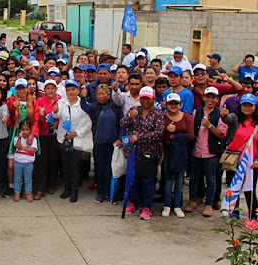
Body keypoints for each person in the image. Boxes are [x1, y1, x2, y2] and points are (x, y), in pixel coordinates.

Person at [122, 87, 165, 220]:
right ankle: (134, 203)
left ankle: (147, 206)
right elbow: (122, 124)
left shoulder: (157, 114)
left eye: (148, 98)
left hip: (148, 153)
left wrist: (140, 138)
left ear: (153, 99)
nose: (145, 101)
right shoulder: (134, 110)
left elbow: (158, 133)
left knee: (147, 181)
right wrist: (130, 117)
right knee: (134, 179)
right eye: (143, 98)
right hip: (132, 152)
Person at [187, 86, 227, 216]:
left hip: (211, 153)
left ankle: (209, 204)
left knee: (211, 179)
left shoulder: (220, 114)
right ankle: (193, 200)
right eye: (208, 97)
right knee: (194, 178)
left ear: (217, 99)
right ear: (203, 98)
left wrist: (209, 125)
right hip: (196, 151)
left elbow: (221, 134)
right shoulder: (196, 112)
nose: (210, 100)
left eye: (213, 97)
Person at [80, 84, 122, 203]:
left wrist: (119, 139)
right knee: (99, 169)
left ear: (108, 95)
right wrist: (83, 97)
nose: (101, 96)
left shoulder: (115, 108)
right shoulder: (94, 107)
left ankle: (109, 192)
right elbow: (84, 106)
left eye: (103, 94)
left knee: (110, 169)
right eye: (98, 94)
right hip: (99, 143)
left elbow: (121, 124)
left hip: (112, 143)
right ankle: (100, 192)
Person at [53, 80, 91, 203]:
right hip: (63, 139)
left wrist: (75, 133)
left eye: (73, 89)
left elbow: (88, 123)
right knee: (65, 166)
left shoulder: (82, 104)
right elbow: (56, 115)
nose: (70, 92)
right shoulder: (61, 102)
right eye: (68, 90)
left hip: (76, 139)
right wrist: (54, 111)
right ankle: (67, 188)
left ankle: (74, 190)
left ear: (78, 91)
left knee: (75, 166)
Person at [221, 94, 258, 220]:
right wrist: (224, 115)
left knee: (250, 190)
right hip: (235, 159)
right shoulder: (235, 118)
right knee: (233, 187)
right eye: (244, 105)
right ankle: (233, 211)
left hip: (251, 162)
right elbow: (228, 119)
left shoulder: (257, 123)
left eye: (250, 105)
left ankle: (253, 215)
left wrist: (257, 160)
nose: (247, 108)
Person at [161, 93, 194, 218]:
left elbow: (191, 135)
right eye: (171, 104)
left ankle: (177, 205)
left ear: (180, 105)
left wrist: (174, 134)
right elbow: (161, 137)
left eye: (176, 104)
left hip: (182, 154)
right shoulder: (164, 118)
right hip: (168, 153)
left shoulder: (186, 117)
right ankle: (167, 205)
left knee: (180, 181)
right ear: (167, 105)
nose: (173, 106)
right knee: (168, 180)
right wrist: (167, 131)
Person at [35, 80, 60, 197]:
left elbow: (65, 117)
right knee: (42, 162)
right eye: (47, 88)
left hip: (55, 135)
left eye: (52, 88)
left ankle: (52, 184)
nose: (50, 91)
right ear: (44, 90)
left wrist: (57, 123)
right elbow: (38, 121)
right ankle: (41, 187)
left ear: (56, 89)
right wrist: (41, 115)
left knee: (54, 161)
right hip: (43, 134)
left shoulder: (60, 101)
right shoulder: (39, 101)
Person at [13, 120, 38, 202]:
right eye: (23, 130)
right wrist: (20, 137)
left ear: (30, 130)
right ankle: (17, 192)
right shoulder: (17, 138)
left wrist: (23, 148)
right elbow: (17, 145)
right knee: (17, 178)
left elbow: (33, 149)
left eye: (27, 129)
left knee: (28, 178)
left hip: (29, 162)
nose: (25, 132)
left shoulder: (33, 139)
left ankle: (28, 192)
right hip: (18, 162)